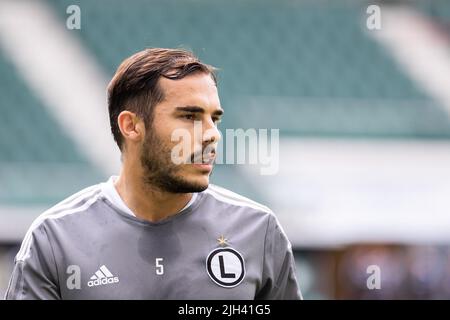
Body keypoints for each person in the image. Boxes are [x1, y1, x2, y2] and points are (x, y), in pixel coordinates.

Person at [5, 48, 301, 299]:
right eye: (189, 116)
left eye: (214, 119)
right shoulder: (55, 239)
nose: (212, 135)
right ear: (131, 126)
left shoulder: (259, 231)